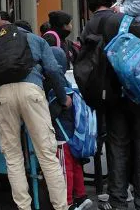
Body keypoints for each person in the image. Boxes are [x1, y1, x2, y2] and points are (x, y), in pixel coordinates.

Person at [80, 0, 140, 210]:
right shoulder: (122, 20)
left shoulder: (87, 28)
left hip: (111, 97)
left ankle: (117, 200)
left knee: (116, 147)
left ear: (89, 6)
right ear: (112, 0)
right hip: (139, 93)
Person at [0, 15, 71, 210]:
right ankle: (61, 207)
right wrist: (63, 98)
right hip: (31, 91)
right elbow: (53, 70)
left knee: (13, 157)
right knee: (47, 155)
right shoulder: (35, 39)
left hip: (2, 95)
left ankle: (23, 207)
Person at [45, 45, 90, 210]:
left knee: (65, 170)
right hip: (73, 135)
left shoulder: (55, 87)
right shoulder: (68, 82)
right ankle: (81, 195)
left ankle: (68, 201)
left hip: (62, 137)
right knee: (76, 166)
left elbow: (53, 112)